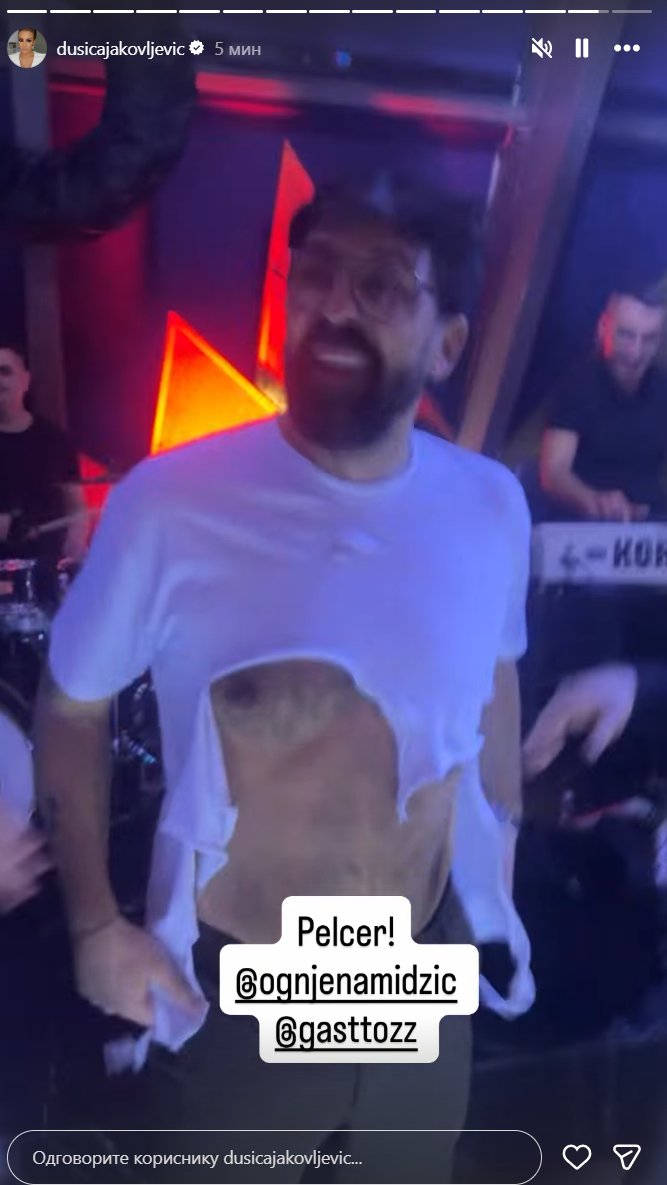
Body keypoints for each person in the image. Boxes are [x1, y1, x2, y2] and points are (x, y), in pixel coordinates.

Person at [34, 173, 532, 1182]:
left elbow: (495, 676)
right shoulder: (170, 503)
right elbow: (71, 706)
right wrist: (93, 924)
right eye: (314, 274)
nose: (335, 303)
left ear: (447, 344)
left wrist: (502, 857)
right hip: (240, 991)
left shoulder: (489, 505)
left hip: (411, 965)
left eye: (382, 284)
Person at [539, 287, 667, 522]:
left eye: (648, 339)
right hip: (580, 524)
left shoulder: (662, 389)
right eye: (625, 335)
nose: (635, 352)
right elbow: (554, 473)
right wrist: (593, 500)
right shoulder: (576, 386)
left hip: (652, 523)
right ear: (603, 328)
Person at [0, 344, 88, 563]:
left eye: (5, 372)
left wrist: (76, 537)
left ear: (25, 381)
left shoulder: (55, 440)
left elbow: (75, 505)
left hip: (45, 567)